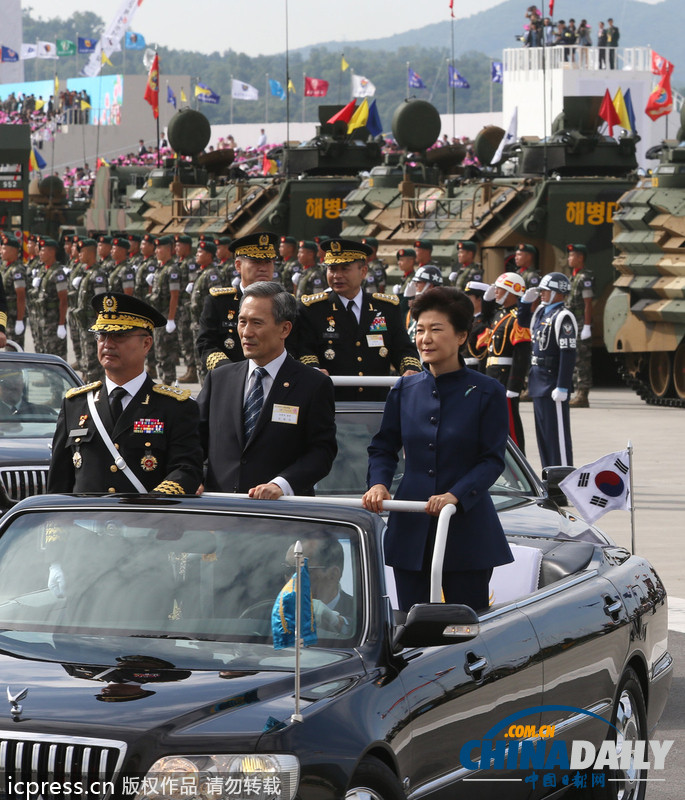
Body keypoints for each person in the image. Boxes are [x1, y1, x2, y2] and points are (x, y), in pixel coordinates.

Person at [363, 287, 513, 612]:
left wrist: (455, 495)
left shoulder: (487, 391)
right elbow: (383, 447)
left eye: (435, 329)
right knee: (413, 625)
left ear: (461, 336)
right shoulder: (404, 389)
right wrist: (378, 483)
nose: (425, 339)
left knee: (464, 626)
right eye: (419, 330)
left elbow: (491, 460)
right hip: (411, 529)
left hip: (466, 529)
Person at [48, 292, 203, 495]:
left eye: (119, 335)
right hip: (87, 515)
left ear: (146, 344)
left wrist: (149, 505)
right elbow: (59, 481)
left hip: (147, 514)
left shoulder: (175, 407)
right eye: (102, 335)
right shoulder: (76, 404)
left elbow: (186, 470)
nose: (107, 344)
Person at [197, 281, 337, 497]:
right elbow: (193, 441)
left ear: (284, 329)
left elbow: (322, 452)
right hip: (222, 508)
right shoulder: (219, 379)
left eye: (257, 323)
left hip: (280, 511)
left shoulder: (313, 384)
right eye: (242, 322)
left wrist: (282, 485)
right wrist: (194, 476)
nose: (246, 332)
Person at [296, 238, 421, 401]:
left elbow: (403, 348)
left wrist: (410, 368)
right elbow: (304, 349)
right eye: (332, 269)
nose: (337, 276)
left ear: (363, 271)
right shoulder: (313, 309)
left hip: (377, 403)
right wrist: (313, 369)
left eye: (345, 269)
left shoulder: (386, 308)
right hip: (330, 401)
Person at [196, 232, 280, 372]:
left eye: (268, 262)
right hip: (230, 377)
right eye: (256, 262)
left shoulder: (284, 303)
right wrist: (229, 370)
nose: (263, 268)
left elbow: (296, 346)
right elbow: (206, 344)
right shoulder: (219, 302)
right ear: (238, 266)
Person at [480, 272, 535, 453]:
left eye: (500, 289)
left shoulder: (517, 318)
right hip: (493, 374)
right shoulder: (499, 314)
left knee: (511, 425)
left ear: (511, 292)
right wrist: (486, 301)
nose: (496, 292)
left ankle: (519, 460)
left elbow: (521, 355)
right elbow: (485, 319)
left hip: (505, 377)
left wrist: (515, 385)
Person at [528, 272, 577, 467]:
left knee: (558, 439)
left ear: (558, 293)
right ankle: (548, 474)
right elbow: (524, 324)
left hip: (552, 382)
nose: (542, 293)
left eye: (546, 290)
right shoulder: (542, 313)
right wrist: (524, 303)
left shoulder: (563, 317)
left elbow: (568, 353)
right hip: (538, 380)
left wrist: (563, 386)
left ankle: (563, 476)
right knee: (544, 438)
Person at [283, 533, 355, 634]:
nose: (290, 579)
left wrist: (337, 622)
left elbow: (361, 629)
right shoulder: (270, 612)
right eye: (287, 569)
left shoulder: (364, 612)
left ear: (333, 575)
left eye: (299, 570)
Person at [566, 244, 594, 408]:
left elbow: (588, 303)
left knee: (582, 359)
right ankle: (577, 391)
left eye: (572, 256)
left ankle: (583, 394)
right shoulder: (573, 277)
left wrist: (587, 326)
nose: (569, 259)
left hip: (581, 321)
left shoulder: (585, 277)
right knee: (574, 357)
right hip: (572, 321)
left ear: (580, 258)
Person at [0, 234, 26, 349]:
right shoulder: (5, 267)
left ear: (14, 251)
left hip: (13, 315)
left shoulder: (17, 270)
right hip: (6, 315)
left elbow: (21, 296)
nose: (1, 251)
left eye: (4, 249)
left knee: (13, 349)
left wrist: (19, 320)